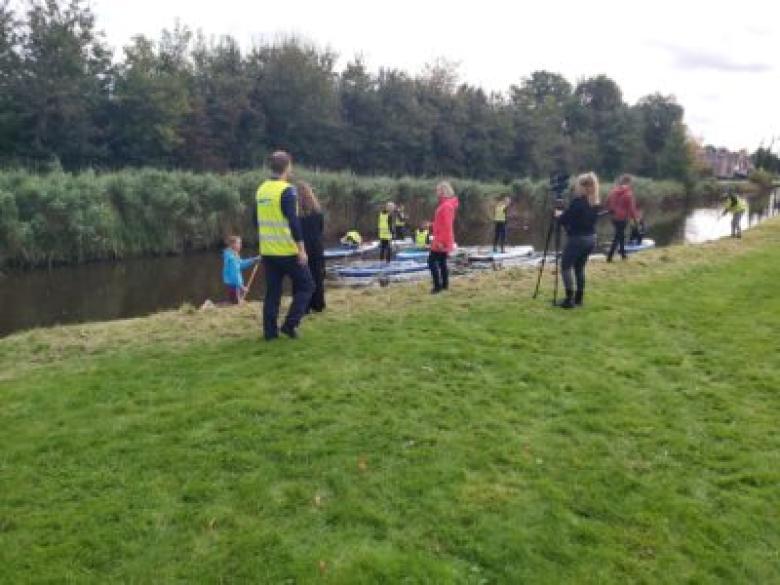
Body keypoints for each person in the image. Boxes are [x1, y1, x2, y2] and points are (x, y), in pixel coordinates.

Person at [255, 151, 313, 340]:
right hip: (287, 250)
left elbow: (255, 220)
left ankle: (269, 333)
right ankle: (290, 324)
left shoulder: (261, 189)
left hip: (268, 250)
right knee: (307, 286)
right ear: (287, 167)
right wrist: (302, 250)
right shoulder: (287, 190)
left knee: (273, 293)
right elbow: (293, 222)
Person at [554, 172, 601, 309]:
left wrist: (558, 215)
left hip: (578, 239)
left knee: (565, 267)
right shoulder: (595, 202)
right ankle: (579, 299)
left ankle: (569, 300)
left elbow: (564, 219)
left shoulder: (578, 202)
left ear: (582, 186)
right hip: (591, 238)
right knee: (579, 268)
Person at [298, 181, 326, 313]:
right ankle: (318, 303)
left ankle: (305, 306)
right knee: (317, 275)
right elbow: (321, 228)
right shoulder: (318, 211)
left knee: (302, 277)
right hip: (316, 245)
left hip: (302, 246)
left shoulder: (297, 213)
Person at [428, 182, 459, 294]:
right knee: (442, 262)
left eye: (438, 190)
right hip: (442, 238)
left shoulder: (446, 206)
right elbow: (441, 223)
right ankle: (444, 285)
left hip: (441, 240)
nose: (436, 192)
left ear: (443, 191)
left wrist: (441, 242)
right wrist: (432, 224)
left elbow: (447, 225)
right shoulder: (445, 205)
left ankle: (437, 287)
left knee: (431, 262)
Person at [605, 174, 639, 262]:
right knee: (618, 236)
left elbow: (607, 201)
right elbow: (632, 209)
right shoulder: (629, 193)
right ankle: (609, 256)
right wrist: (635, 220)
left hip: (613, 217)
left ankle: (623, 254)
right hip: (623, 218)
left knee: (620, 235)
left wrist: (610, 210)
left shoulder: (614, 190)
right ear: (628, 182)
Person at [222, 235, 260, 304]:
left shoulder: (233, 254)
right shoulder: (232, 258)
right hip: (234, 285)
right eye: (239, 243)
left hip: (233, 284)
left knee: (235, 302)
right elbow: (234, 274)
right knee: (237, 304)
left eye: (240, 243)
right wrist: (242, 287)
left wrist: (253, 260)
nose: (240, 245)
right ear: (233, 245)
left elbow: (241, 264)